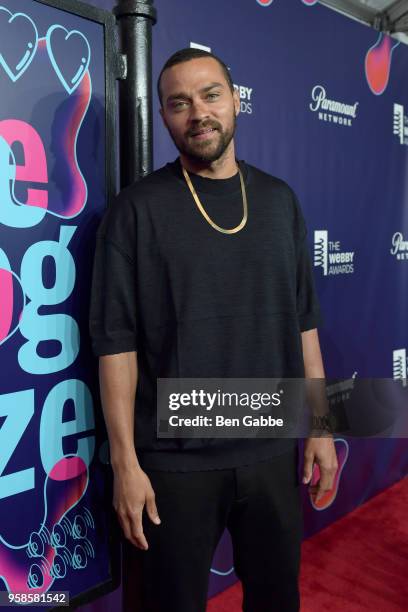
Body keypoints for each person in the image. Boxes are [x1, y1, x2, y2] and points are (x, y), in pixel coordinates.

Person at [89, 48, 338, 612]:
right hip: (174, 464)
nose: (196, 112)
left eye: (210, 95)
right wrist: (126, 464)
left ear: (235, 101)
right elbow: (116, 348)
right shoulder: (136, 212)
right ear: (164, 115)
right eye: (178, 103)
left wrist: (321, 429)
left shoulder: (279, 202)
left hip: (271, 448)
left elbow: (306, 330)